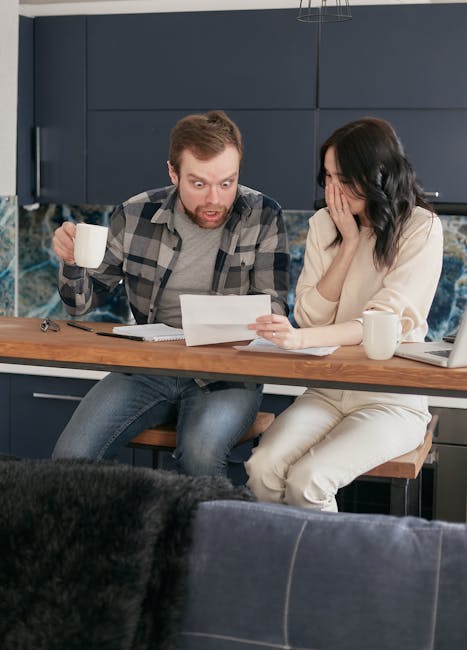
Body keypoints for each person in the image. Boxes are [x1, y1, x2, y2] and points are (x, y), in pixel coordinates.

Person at [52, 110, 289, 476]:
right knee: (70, 456)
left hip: (228, 373)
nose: (215, 199)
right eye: (198, 184)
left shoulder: (262, 215)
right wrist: (72, 263)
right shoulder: (134, 215)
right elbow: (80, 304)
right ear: (173, 173)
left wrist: (225, 322)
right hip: (149, 367)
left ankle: (215, 534)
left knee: (199, 455)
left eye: (227, 183)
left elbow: (273, 307)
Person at [245, 117, 443, 511]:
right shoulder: (325, 225)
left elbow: (380, 325)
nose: (333, 190)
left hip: (392, 398)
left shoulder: (422, 228)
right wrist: (349, 242)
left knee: (308, 481)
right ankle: (282, 569)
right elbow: (312, 316)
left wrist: (299, 340)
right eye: (329, 177)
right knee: (262, 468)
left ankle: (325, 572)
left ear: (378, 176)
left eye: (345, 179)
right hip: (328, 388)